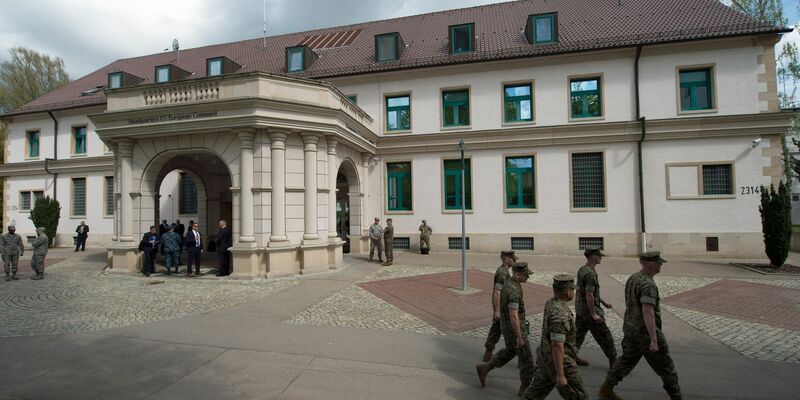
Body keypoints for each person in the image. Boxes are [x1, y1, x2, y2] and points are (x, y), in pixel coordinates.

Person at [599, 251, 682, 400]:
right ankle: (676, 397)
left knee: (626, 360)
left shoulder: (633, 278)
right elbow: (647, 311)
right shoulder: (648, 284)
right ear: (651, 264)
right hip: (645, 333)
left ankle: (606, 389)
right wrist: (654, 339)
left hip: (631, 329)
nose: (660, 265)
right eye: (659, 263)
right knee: (666, 368)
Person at [523, 274, 588, 400]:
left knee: (534, 395)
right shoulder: (560, 315)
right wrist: (560, 374)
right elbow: (557, 345)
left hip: (546, 358)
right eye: (573, 289)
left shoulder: (551, 303)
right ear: (568, 292)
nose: (574, 292)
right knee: (579, 396)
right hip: (562, 362)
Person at [476, 262, 535, 397]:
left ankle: (485, 368)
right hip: (514, 329)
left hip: (507, 327)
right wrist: (519, 337)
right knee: (527, 359)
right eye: (526, 275)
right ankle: (525, 388)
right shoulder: (513, 291)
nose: (528, 277)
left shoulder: (510, 283)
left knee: (510, 351)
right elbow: (514, 315)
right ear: (517, 274)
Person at [574, 247, 616, 368]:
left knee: (578, 335)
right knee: (605, 336)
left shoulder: (583, 269)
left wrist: (604, 303)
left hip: (581, 310)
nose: (600, 257)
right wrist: (594, 314)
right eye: (599, 255)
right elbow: (589, 295)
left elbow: (590, 293)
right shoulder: (590, 274)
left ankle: (571, 356)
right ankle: (613, 361)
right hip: (589, 312)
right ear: (593, 256)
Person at [482, 250, 517, 362]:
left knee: (496, 329)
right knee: (509, 330)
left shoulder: (504, 271)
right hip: (502, 307)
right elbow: (497, 291)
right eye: (513, 259)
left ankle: (488, 353)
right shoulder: (502, 272)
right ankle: (521, 356)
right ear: (506, 259)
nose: (514, 261)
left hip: (503, 306)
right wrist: (497, 310)